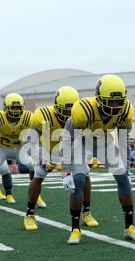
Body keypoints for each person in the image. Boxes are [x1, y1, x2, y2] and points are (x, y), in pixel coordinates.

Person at [59, 74, 135, 244]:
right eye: (110, 101)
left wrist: (126, 169)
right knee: (78, 179)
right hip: (80, 140)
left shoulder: (125, 111)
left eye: (118, 101)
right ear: (99, 99)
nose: (115, 105)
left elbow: (124, 140)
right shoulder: (83, 110)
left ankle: (129, 227)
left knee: (123, 177)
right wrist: (66, 170)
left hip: (103, 140)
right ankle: (75, 229)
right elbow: (66, 139)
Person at [22, 86, 96, 231]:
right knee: (39, 173)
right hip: (48, 148)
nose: (68, 115)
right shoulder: (44, 115)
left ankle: (86, 212)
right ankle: (29, 214)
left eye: (71, 111)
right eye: (65, 111)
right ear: (56, 107)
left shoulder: (82, 114)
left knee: (85, 174)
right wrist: (40, 159)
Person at [0, 93, 34, 211]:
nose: (16, 111)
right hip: (1, 147)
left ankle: (36, 194)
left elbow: (37, 133)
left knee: (33, 165)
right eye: (13, 108)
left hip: (18, 147)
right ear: (6, 108)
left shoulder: (28, 118)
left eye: (18, 108)